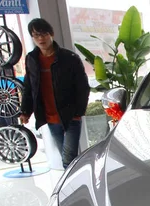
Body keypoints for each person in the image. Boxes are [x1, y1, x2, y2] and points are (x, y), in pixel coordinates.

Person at [20, 18, 90, 169]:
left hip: (71, 115)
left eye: (43, 34)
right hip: (50, 117)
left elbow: (83, 87)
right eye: (36, 35)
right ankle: (74, 183)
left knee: (68, 159)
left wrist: (78, 111)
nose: (40, 38)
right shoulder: (31, 59)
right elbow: (29, 87)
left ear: (51, 34)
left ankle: (72, 189)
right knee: (65, 156)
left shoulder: (69, 58)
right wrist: (25, 111)